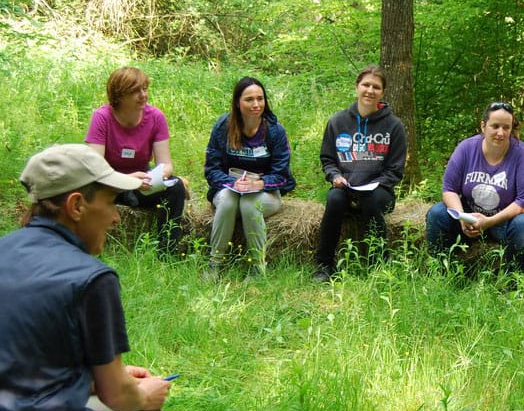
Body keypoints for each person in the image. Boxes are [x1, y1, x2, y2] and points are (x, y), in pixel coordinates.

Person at [0, 144, 201, 411]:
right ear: (76, 206)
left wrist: (97, 380)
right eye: (110, 203)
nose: (114, 218)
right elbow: (118, 396)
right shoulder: (91, 279)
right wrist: (143, 392)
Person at [425, 101, 524, 270]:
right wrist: (462, 217)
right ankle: (440, 271)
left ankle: (513, 283)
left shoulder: (523, 155)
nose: (501, 133)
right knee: (437, 213)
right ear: (483, 126)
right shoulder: (466, 148)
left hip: (512, 219)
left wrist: (489, 222)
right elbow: (449, 189)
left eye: (506, 127)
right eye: (495, 126)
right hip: (473, 216)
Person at [314, 65, 408, 281]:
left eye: (376, 87)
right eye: (366, 85)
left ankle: (378, 266)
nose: (370, 90)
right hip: (345, 188)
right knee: (334, 199)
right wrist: (335, 176)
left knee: (371, 200)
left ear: (382, 93)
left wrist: (374, 185)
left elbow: (395, 169)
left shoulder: (394, 126)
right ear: (357, 87)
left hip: (378, 192)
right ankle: (324, 265)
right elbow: (328, 159)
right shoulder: (337, 122)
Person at [85, 67, 186, 257]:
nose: (143, 95)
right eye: (135, 91)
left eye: (145, 89)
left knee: (176, 187)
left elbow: (166, 164)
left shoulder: (156, 117)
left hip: (142, 182)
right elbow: (94, 168)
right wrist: (126, 179)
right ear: (119, 95)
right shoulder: (102, 117)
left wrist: (155, 177)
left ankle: (167, 252)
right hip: (109, 183)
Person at [203, 77, 295, 277]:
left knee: (249, 204)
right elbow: (211, 169)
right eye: (249, 99)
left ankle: (257, 267)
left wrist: (259, 183)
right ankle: (214, 264)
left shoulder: (275, 131)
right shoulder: (223, 127)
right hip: (229, 189)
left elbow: (282, 175)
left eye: (260, 99)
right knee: (228, 201)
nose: (256, 104)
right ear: (238, 102)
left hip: (265, 193)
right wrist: (232, 183)